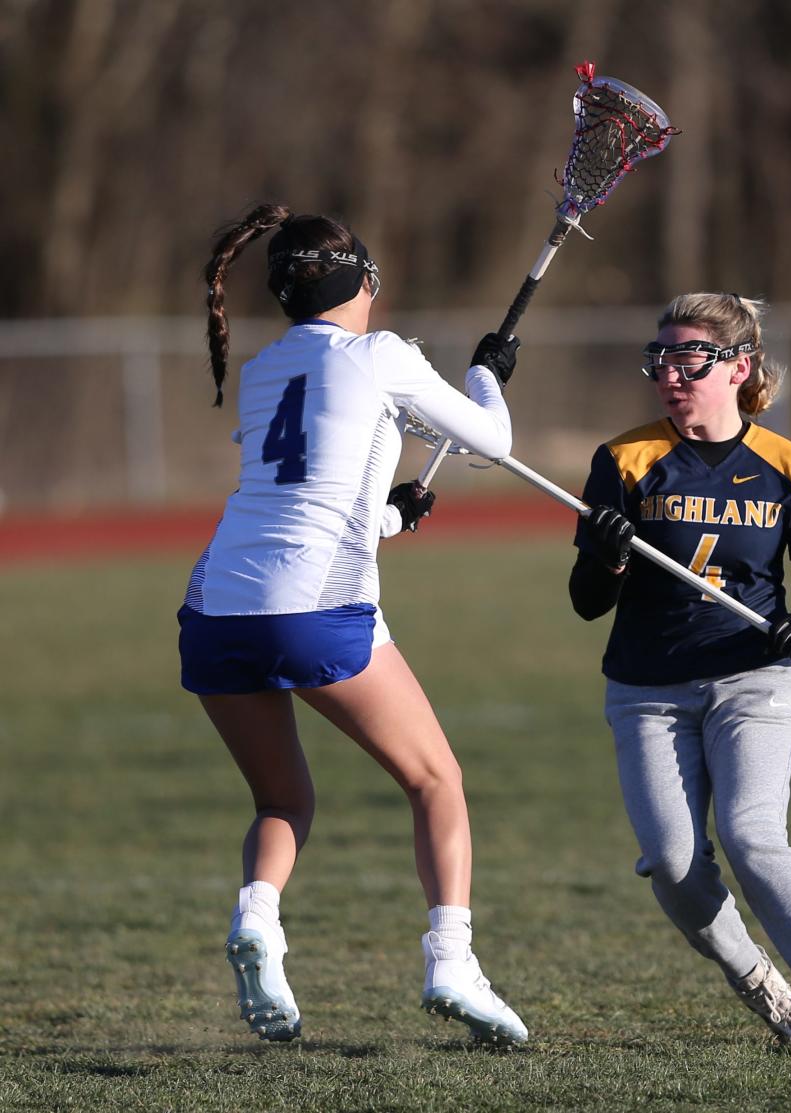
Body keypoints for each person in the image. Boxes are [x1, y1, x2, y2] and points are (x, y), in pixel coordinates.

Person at [178, 202, 528, 1046]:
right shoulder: (384, 354)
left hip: (215, 608)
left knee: (281, 798)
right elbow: (493, 441)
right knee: (436, 781)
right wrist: (489, 374)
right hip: (317, 609)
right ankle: (452, 959)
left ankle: (258, 918)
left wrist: (396, 518)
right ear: (363, 282)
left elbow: (312, 496)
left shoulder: (264, 370)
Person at [568, 292, 791, 1051]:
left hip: (755, 680)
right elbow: (587, 601)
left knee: (753, 836)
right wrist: (613, 552)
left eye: (689, 358)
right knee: (675, 866)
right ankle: (771, 995)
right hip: (647, 691)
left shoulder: (788, 465)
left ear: (738, 366)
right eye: (661, 359)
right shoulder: (623, 460)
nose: (671, 374)